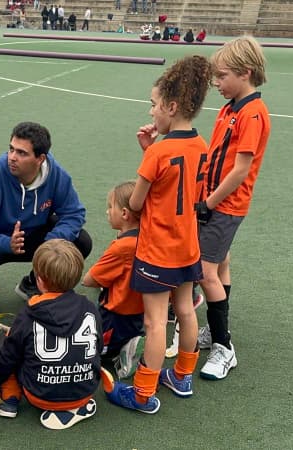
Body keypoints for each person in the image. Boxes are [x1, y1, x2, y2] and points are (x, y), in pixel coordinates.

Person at [104, 55, 212, 414]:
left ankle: (142, 394)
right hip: (188, 246)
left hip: (158, 251)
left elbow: (135, 203)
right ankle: (182, 376)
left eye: (153, 106)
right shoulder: (201, 145)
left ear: (172, 106)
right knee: (185, 310)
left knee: (154, 322)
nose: (151, 113)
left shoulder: (160, 151)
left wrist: (149, 153)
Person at [195, 36, 271, 381]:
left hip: (225, 205)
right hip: (215, 199)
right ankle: (215, 327)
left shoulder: (252, 113)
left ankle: (225, 347)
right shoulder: (230, 108)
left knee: (205, 271)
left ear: (246, 73)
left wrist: (209, 203)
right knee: (220, 263)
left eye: (223, 76)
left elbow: (241, 169)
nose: (217, 83)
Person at [0, 239, 102, 430]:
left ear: (40, 280)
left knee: (12, 349)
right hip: (85, 392)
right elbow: (97, 346)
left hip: (39, 395)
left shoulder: (28, 314)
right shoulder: (90, 308)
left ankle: (8, 398)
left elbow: (7, 359)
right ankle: (75, 404)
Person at [0, 122, 92, 302]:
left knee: (81, 242)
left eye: (21, 153)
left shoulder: (56, 175)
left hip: (36, 239)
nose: (12, 157)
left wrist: (50, 245)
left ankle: (33, 282)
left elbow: (74, 214)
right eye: (11, 149)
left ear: (40, 159)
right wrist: (5, 243)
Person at [81, 181, 144, 380]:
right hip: (140, 312)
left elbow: (89, 280)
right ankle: (128, 342)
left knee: (88, 351)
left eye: (111, 207)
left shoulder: (122, 247)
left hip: (115, 316)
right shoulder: (148, 237)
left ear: (124, 213)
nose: (108, 212)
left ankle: (124, 350)